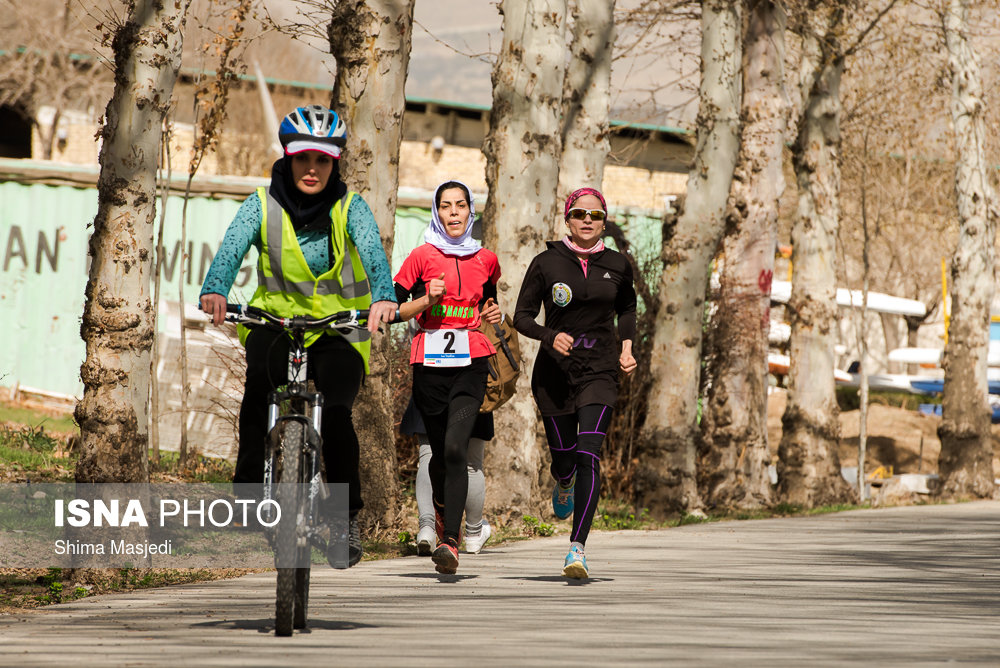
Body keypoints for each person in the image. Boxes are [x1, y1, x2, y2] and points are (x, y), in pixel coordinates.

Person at [199, 104, 397, 568]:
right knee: (258, 392)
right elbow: (231, 249)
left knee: (339, 413)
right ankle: (249, 496)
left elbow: (373, 253)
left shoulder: (350, 207)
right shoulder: (260, 204)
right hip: (274, 322)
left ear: (335, 163)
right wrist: (215, 287)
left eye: (323, 160)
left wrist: (384, 296)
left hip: (337, 329)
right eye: (303, 158)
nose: (312, 168)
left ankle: (343, 519)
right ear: (287, 158)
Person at [513, 187, 637, 579]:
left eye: (595, 215)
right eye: (580, 213)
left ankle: (577, 549)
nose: (587, 220)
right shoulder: (546, 262)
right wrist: (549, 336)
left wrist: (627, 347)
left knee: (588, 455)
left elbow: (627, 307)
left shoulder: (618, 264)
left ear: (604, 222)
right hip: (554, 374)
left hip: (599, 371)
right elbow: (522, 316)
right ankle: (563, 480)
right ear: (567, 218)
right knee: (565, 460)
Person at [393, 180, 502, 574]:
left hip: (472, 364)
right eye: (445, 206)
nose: (454, 212)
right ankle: (440, 510)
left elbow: (489, 302)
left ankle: (450, 542)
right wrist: (427, 299)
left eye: (460, 205)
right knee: (439, 455)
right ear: (436, 212)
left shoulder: (486, 259)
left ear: (471, 210)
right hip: (429, 366)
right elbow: (393, 310)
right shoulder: (421, 256)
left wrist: (493, 313)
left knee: (457, 449)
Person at [401, 397, 493, 556]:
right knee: (472, 463)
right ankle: (474, 533)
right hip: (469, 390)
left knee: (428, 455)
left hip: (432, 388)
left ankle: (427, 529)